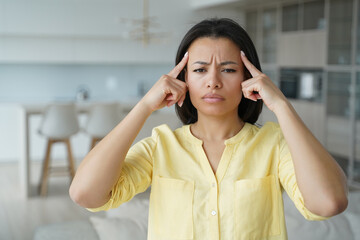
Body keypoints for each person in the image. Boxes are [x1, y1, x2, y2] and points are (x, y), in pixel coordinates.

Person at [69, 18, 348, 240]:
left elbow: (328, 203)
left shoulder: (273, 145)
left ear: (248, 78)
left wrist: (282, 105)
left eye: (228, 70)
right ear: (183, 79)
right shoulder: (160, 147)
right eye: (200, 70)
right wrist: (143, 107)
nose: (213, 81)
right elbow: (86, 194)